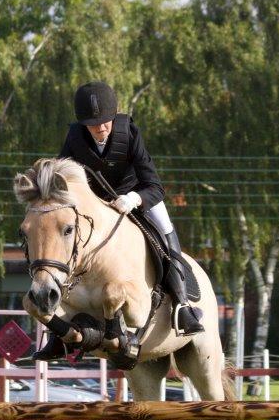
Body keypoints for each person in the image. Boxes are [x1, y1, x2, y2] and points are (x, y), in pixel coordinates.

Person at [33, 81, 203, 361]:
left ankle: (183, 306)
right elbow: (60, 179)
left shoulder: (129, 132)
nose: (101, 128)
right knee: (66, 247)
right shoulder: (75, 137)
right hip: (97, 206)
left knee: (165, 230)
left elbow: (155, 186)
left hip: (137, 197)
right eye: (94, 124)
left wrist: (133, 198)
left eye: (105, 122)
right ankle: (57, 334)